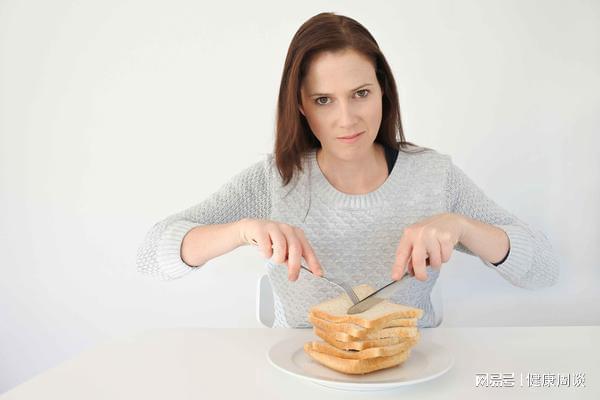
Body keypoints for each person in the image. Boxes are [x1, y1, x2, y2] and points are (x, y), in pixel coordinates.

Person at [136, 12, 559, 328]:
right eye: (323, 100)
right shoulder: (273, 180)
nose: (346, 119)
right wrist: (240, 231)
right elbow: (150, 257)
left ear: (383, 92)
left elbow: (543, 270)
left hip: (413, 371)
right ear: (300, 106)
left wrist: (463, 227)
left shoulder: (434, 176)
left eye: (360, 93)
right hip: (298, 374)